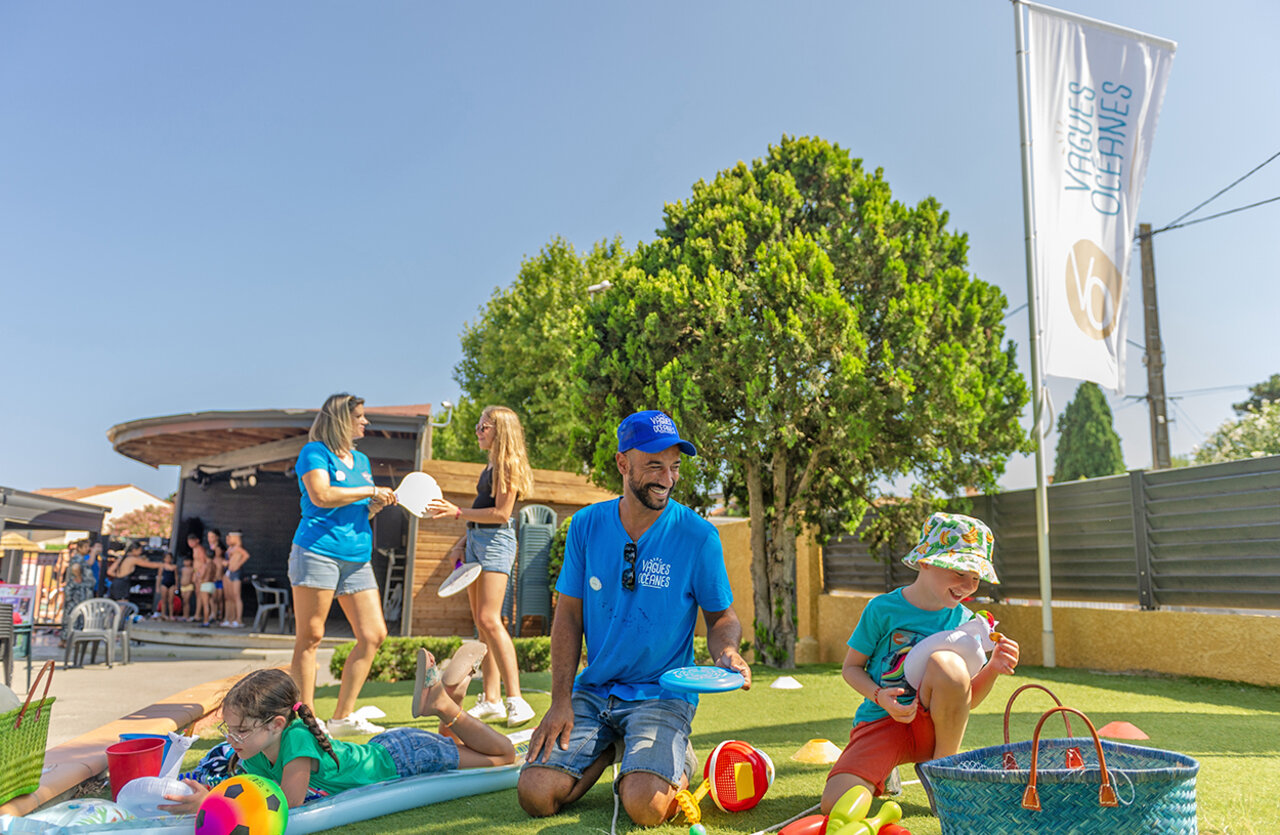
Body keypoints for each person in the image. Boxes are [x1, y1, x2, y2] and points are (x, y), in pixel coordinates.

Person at [517, 410, 752, 827]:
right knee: (535, 795)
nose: (667, 478)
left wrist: (728, 652)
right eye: (654, 465)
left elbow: (721, 618)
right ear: (623, 464)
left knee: (645, 808)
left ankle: (667, 756)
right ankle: (609, 745)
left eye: (674, 466)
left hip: (661, 695)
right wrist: (559, 702)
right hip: (594, 692)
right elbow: (568, 617)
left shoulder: (698, 536)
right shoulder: (586, 525)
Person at [819, 512, 1021, 814]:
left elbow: (963, 699)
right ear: (926, 561)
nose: (967, 585)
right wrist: (880, 697)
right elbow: (851, 668)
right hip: (882, 721)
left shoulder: (966, 622)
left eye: (975, 577)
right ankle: (885, 769)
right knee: (834, 804)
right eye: (959, 572)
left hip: (935, 734)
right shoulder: (882, 609)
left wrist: (992, 669)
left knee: (948, 663)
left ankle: (942, 775)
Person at [159, 651, 515, 813]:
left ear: (276, 725)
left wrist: (213, 802)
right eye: (228, 730)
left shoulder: (296, 740)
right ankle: (450, 691)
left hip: (406, 758)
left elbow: (287, 801)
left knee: (503, 757)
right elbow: (253, 789)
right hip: (383, 751)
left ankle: (444, 704)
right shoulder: (252, 752)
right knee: (455, 749)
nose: (230, 739)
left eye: (239, 731)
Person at [290, 393, 398, 736]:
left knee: (373, 635)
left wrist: (374, 504)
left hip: (357, 557)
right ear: (341, 419)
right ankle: (306, 721)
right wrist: (369, 490)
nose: (365, 422)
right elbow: (321, 495)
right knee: (311, 636)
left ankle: (341, 718)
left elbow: (355, 506)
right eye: (360, 416)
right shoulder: (314, 453)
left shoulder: (361, 460)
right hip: (318, 551)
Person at [427, 405, 536, 727]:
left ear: (500, 431)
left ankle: (516, 699)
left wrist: (457, 512)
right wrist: (461, 543)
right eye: (478, 425)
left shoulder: (507, 465)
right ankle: (491, 700)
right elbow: (482, 510)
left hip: (496, 543)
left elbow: (502, 514)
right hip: (476, 542)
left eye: (483, 426)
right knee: (481, 623)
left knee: (490, 619)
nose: (478, 431)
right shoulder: (489, 466)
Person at [59, 540, 95, 645]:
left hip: (78, 591)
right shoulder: (77, 558)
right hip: (77, 592)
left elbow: (88, 563)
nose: (88, 549)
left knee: (72, 614)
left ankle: (67, 639)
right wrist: (78, 578)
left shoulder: (81, 558)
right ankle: (67, 639)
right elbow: (75, 567)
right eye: (86, 547)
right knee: (73, 614)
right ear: (79, 548)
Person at [222, 531, 251, 628]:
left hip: (236, 573)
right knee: (229, 597)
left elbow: (246, 555)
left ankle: (238, 620)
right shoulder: (231, 548)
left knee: (236, 596)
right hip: (229, 572)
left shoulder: (238, 547)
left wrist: (238, 564)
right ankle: (230, 618)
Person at [188, 533, 211, 625]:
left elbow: (203, 563)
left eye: (192, 541)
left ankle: (200, 615)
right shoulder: (194, 549)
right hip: (196, 572)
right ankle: (197, 614)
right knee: (198, 594)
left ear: (197, 540)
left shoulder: (200, 549)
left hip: (200, 574)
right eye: (189, 541)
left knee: (201, 595)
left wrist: (198, 574)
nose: (190, 543)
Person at [206, 529, 225, 623]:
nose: (210, 539)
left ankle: (220, 614)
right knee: (212, 597)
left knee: (219, 598)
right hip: (212, 578)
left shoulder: (221, 556)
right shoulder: (210, 552)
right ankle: (213, 613)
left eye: (212, 537)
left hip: (220, 578)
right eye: (208, 537)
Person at [156, 552, 177, 620]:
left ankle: (171, 615)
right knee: (164, 600)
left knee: (171, 600)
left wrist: (176, 585)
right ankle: (163, 614)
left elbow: (176, 577)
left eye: (169, 558)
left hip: (172, 584)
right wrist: (157, 587)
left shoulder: (174, 567)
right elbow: (159, 577)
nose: (168, 559)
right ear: (164, 559)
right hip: (164, 584)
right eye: (166, 558)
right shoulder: (162, 566)